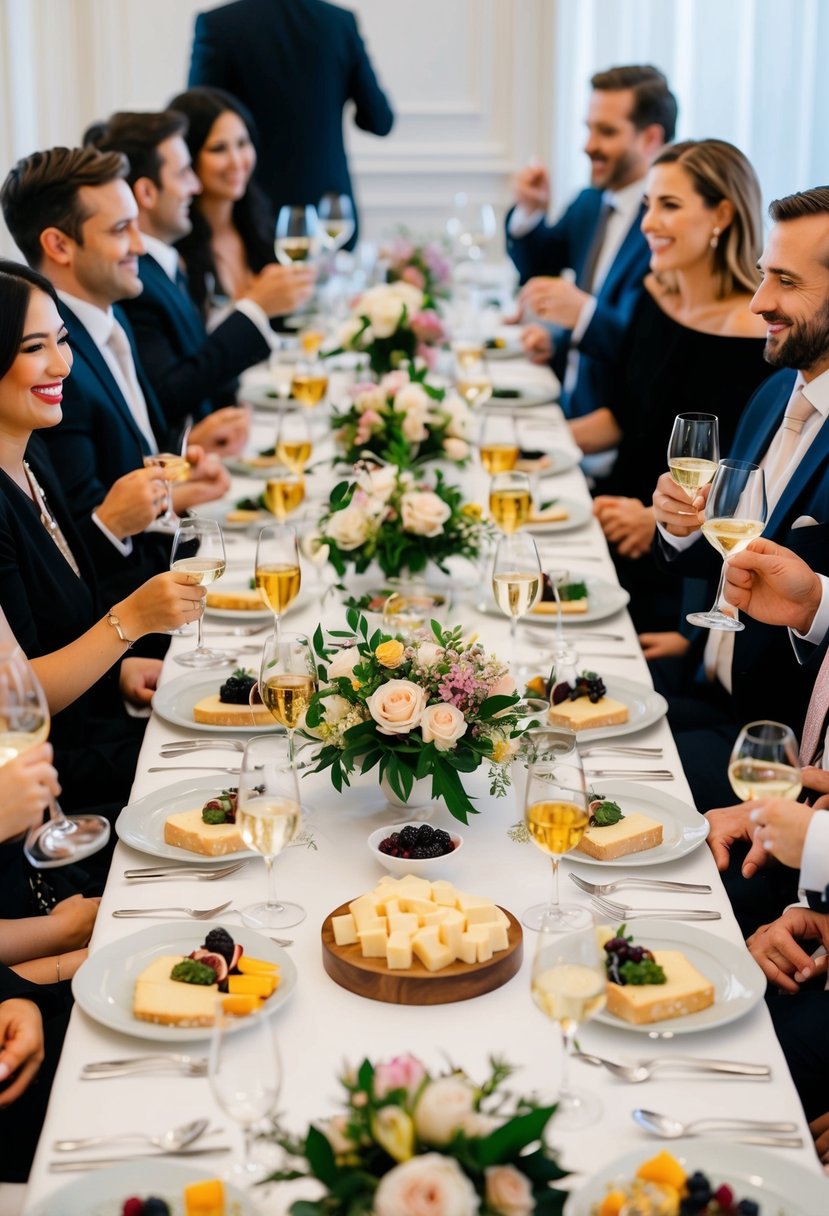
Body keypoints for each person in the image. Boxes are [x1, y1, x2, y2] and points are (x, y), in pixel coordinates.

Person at [0, 260, 205, 816]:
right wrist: (131, 622)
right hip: (57, 782)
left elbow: (55, 627)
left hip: (96, 730)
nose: (62, 364)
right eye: (33, 348)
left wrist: (117, 674)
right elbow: (17, 693)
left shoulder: (32, 455)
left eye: (62, 341)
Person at [652, 185, 829, 809]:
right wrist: (678, 527)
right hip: (704, 685)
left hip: (766, 748)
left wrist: (817, 605)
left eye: (785, 281)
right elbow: (732, 552)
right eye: (762, 276)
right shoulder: (776, 391)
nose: (759, 302)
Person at [0, 145, 231, 605]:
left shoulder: (112, 318)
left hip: (167, 571)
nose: (141, 246)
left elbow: (130, 461)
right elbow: (63, 552)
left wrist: (178, 470)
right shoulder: (46, 372)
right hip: (126, 612)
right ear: (59, 244)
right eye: (122, 229)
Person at [568, 139, 770, 633]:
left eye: (669, 206)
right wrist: (539, 443)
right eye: (648, 205)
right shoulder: (653, 294)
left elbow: (754, 483)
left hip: (688, 572)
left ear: (722, 213)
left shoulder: (762, 334)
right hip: (611, 516)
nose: (648, 224)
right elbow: (624, 417)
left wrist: (656, 521)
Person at [85, 108, 315, 426]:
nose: (196, 186)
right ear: (147, 193)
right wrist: (254, 309)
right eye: (183, 173)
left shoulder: (165, 265)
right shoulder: (133, 280)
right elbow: (169, 393)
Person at [506, 65, 677, 421]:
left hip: (616, 427)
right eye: (588, 129)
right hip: (562, 400)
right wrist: (530, 211)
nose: (589, 146)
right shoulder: (589, 201)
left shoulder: (670, 229)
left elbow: (651, 349)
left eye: (606, 132)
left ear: (650, 139)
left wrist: (582, 314)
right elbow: (540, 265)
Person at [186, 0, 394, 245]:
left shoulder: (219, 24)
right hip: (330, 211)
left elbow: (196, 120)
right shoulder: (339, 22)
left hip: (254, 211)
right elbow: (379, 121)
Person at [166, 86, 314, 324]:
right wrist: (256, 303)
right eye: (219, 149)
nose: (237, 161)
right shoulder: (176, 248)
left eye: (243, 143)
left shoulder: (258, 224)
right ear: (189, 157)